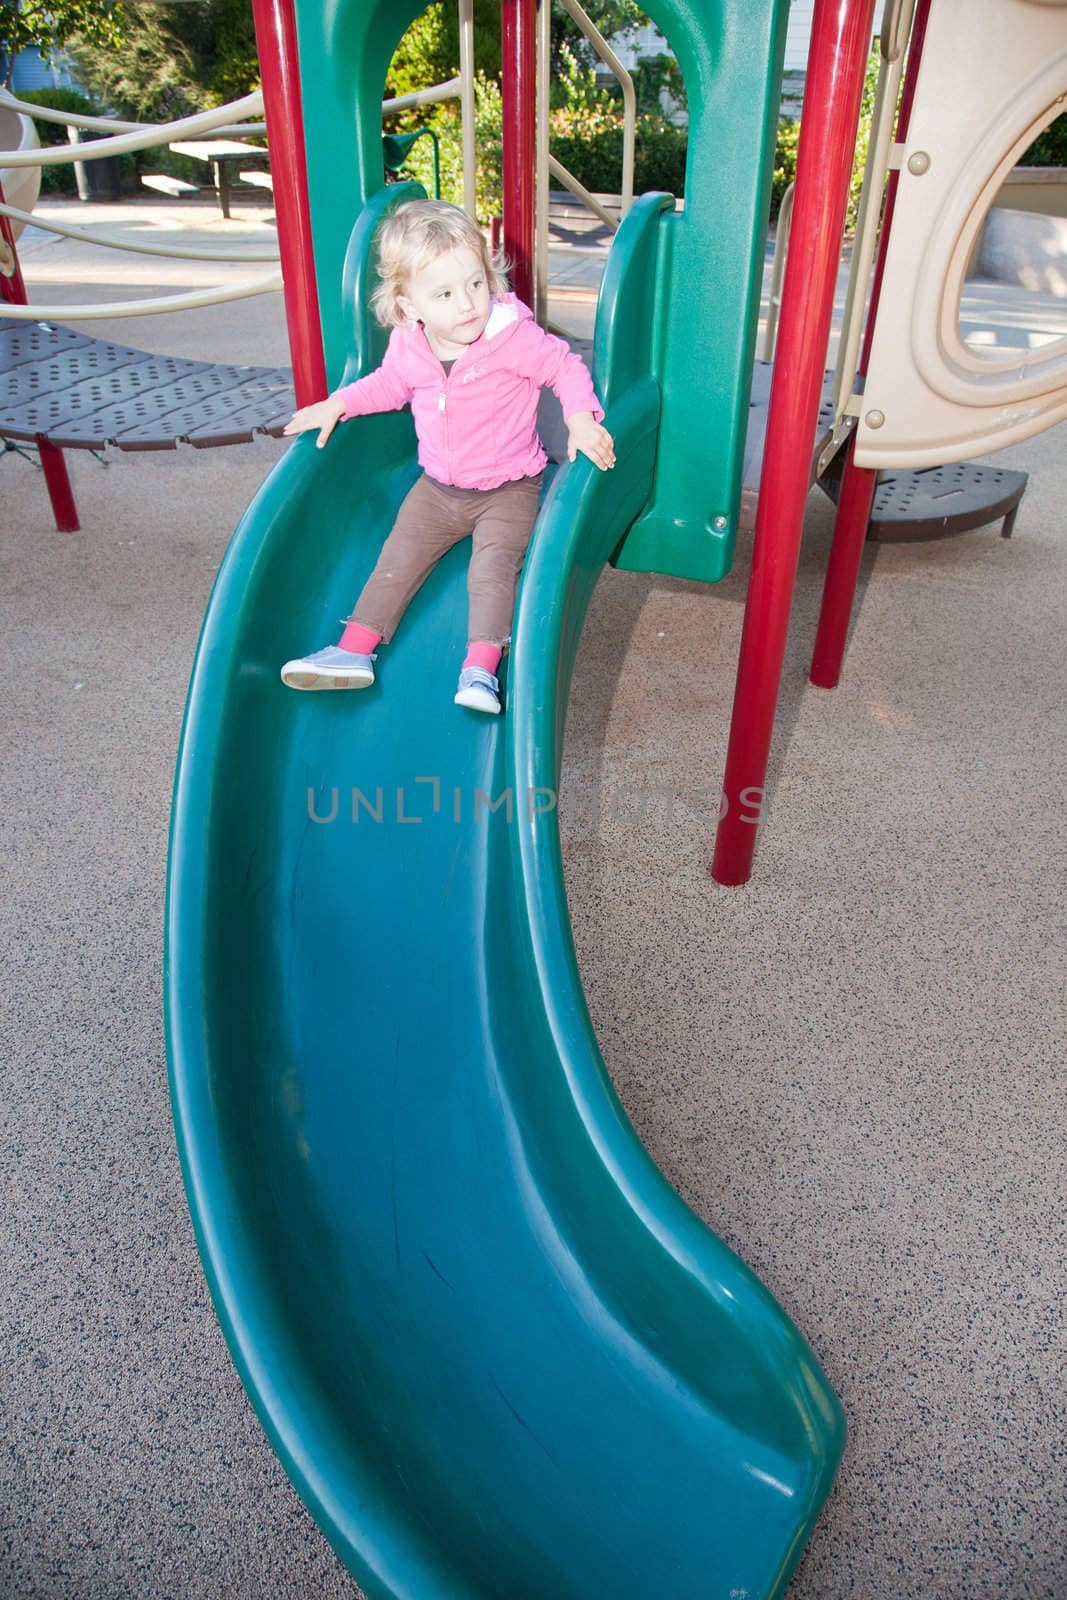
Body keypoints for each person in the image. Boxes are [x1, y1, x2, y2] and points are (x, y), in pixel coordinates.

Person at [279, 198, 615, 715]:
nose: (467, 304)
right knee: (395, 561)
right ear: (408, 305)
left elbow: (563, 367)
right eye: (444, 293)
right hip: (437, 488)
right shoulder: (409, 346)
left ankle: (480, 670)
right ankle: (354, 653)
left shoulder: (510, 338)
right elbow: (389, 385)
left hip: (509, 487)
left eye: (475, 283)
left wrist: (578, 416)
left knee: (492, 571)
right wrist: (338, 404)